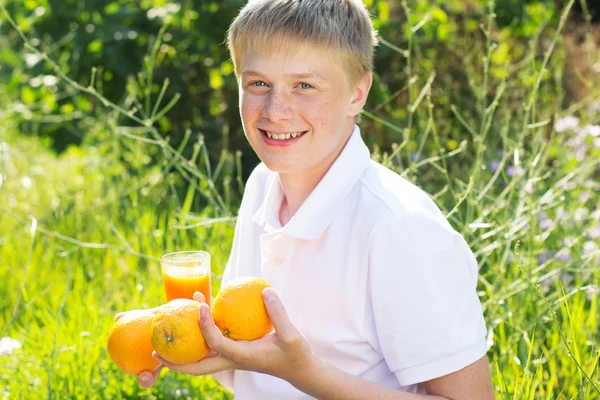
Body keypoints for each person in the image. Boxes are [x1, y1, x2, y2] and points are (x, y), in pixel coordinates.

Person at [120, 0, 496, 397]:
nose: (276, 111)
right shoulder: (263, 183)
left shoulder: (399, 228)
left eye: (304, 86)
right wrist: (189, 340)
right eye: (258, 84)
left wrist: (306, 373)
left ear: (357, 92)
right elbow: (251, 365)